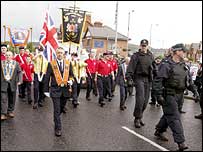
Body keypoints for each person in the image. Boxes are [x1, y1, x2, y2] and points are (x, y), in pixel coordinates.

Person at [153, 43, 200, 151]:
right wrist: (159, 95)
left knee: (169, 114)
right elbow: (158, 81)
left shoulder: (184, 65)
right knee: (174, 118)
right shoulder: (166, 65)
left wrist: (195, 92)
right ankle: (181, 142)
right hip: (169, 95)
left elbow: (189, 81)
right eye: (183, 51)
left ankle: (159, 130)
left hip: (180, 96)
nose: (185, 53)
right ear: (177, 52)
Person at [43, 47, 74, 137]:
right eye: (58, 53)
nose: (60, 54)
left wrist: (71, 80)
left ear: (63, 54)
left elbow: (71, 75)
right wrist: (46, 90)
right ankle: (58, 128)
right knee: (57, 110)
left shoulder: (68, 63)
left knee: (61, 108)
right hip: (55, 90)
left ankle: (56, 118)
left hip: (65, 90)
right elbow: (47, 77)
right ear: (56, 54)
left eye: (61, 53)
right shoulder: (51, 64)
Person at [126, 39, 154, 128]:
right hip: (139, 78)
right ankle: (137, 118)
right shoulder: (136, 56)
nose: (143, 47)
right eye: (142, 45)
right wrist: (129, 78)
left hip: (148, 79)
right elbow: (131, 67)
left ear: (148, 46)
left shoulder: (150, 55)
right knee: (140, 100)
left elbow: (154, 67)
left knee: (145, 101)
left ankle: (140, 115)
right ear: (140, 46)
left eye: (145, 46)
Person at [1, 51, 22, 120]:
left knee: (12, 99)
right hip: (3, 84)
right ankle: (3, 113)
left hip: (13, 84)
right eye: (7, 55)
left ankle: (10, 111)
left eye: (9, 55)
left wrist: (20, 80)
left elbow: (19, 72)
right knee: (3, 99)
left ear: (12, 56)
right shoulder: (1, 63)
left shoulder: (16, 64)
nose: (8, 56)